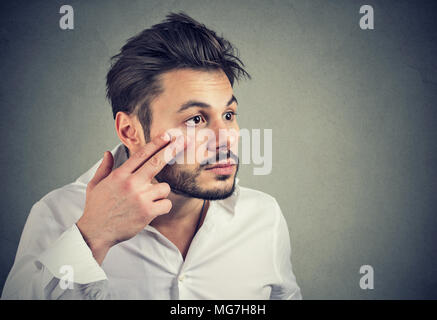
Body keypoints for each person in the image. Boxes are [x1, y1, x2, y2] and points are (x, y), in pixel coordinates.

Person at [1, 12, 301, 300]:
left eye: (228, 114)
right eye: (196, 119)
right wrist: (92, 238)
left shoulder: (264, 217)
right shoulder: (58, 215)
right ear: (130, 131)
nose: (226, 139)